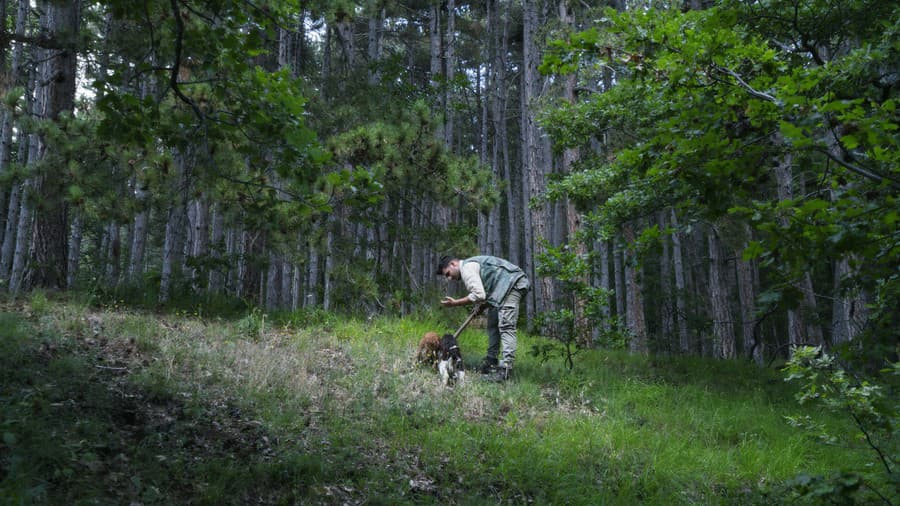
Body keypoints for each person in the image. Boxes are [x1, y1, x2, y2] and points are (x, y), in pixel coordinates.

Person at [436, 255, 529, 381]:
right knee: (493, 324)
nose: (450, 278)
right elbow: (485, 293)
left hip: (513, 283)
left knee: (506, 326)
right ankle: (491, 363)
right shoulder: (469, 267)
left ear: (453, 264)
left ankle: (505, 370)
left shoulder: (467, 269)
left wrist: (455, 303)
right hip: (502, 289)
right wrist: (481, 307)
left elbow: (479, 294)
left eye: (448, 274)